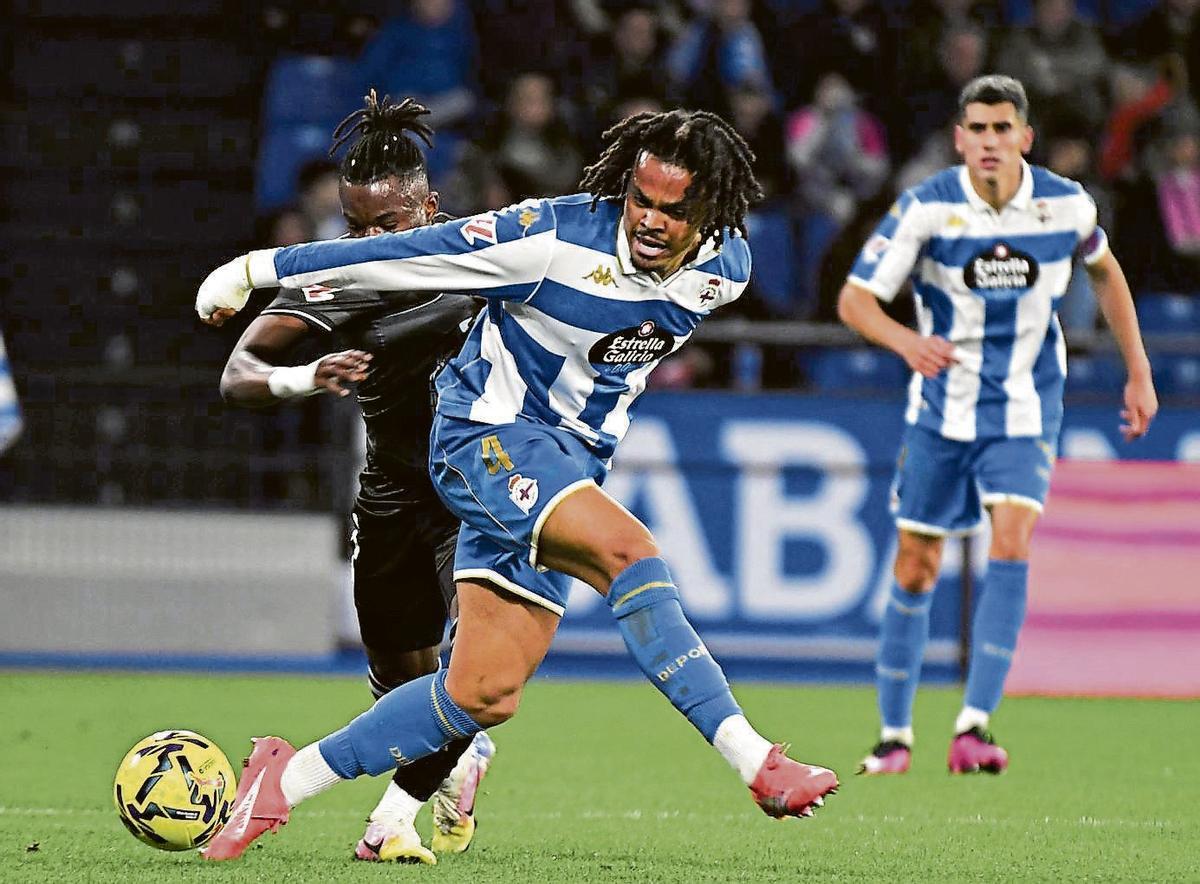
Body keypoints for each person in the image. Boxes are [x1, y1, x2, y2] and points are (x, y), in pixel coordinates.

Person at [195, 107, 839, 861]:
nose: (652, 221)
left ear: (713, 212)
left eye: (675, 209)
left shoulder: (726, 270)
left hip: (567, 464)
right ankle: (757, 761)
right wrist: (254, 269)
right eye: (641, 199)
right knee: (629, 554)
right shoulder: (550, 238)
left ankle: (284, 782)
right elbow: (402, 252)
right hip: (485, 439)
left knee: (481, 692)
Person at [836, 75, 1158, 776]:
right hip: (941, 410)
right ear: (959, 138)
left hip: (1025, 406)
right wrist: (904, 342)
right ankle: (894, 737)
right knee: (917, 564)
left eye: (1001, 129)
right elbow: (856, 300)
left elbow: (1105, 272)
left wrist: (1139, 371)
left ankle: (974, 726)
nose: (988, 142)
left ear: (1024, 137)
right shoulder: (926, 208)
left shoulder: (1064, 205)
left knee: (1010, 540)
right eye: (976, 129)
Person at [217, 91, 504, 864]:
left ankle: (391, 825)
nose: (370, 239)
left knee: (476, 667)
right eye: (355, 226)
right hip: (389, 499)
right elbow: (240, 371)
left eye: (389, 225)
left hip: (477, 496)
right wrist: (303, 375)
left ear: (430, 208)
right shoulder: (336, 282)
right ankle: (461, 760)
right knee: (399, 681)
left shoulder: (489, 262)